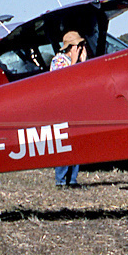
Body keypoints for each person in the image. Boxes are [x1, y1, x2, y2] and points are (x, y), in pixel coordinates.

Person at [51, 31, 87, 186]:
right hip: (62, 109)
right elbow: (63, 82)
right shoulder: (58, 61)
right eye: (79, 46)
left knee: (76, 142)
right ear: (71, 47)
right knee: (64, 143)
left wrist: (82, 62)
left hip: (74, 108)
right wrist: (74, 62)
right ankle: (60, 180)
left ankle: (72, 179)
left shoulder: (76, 63)